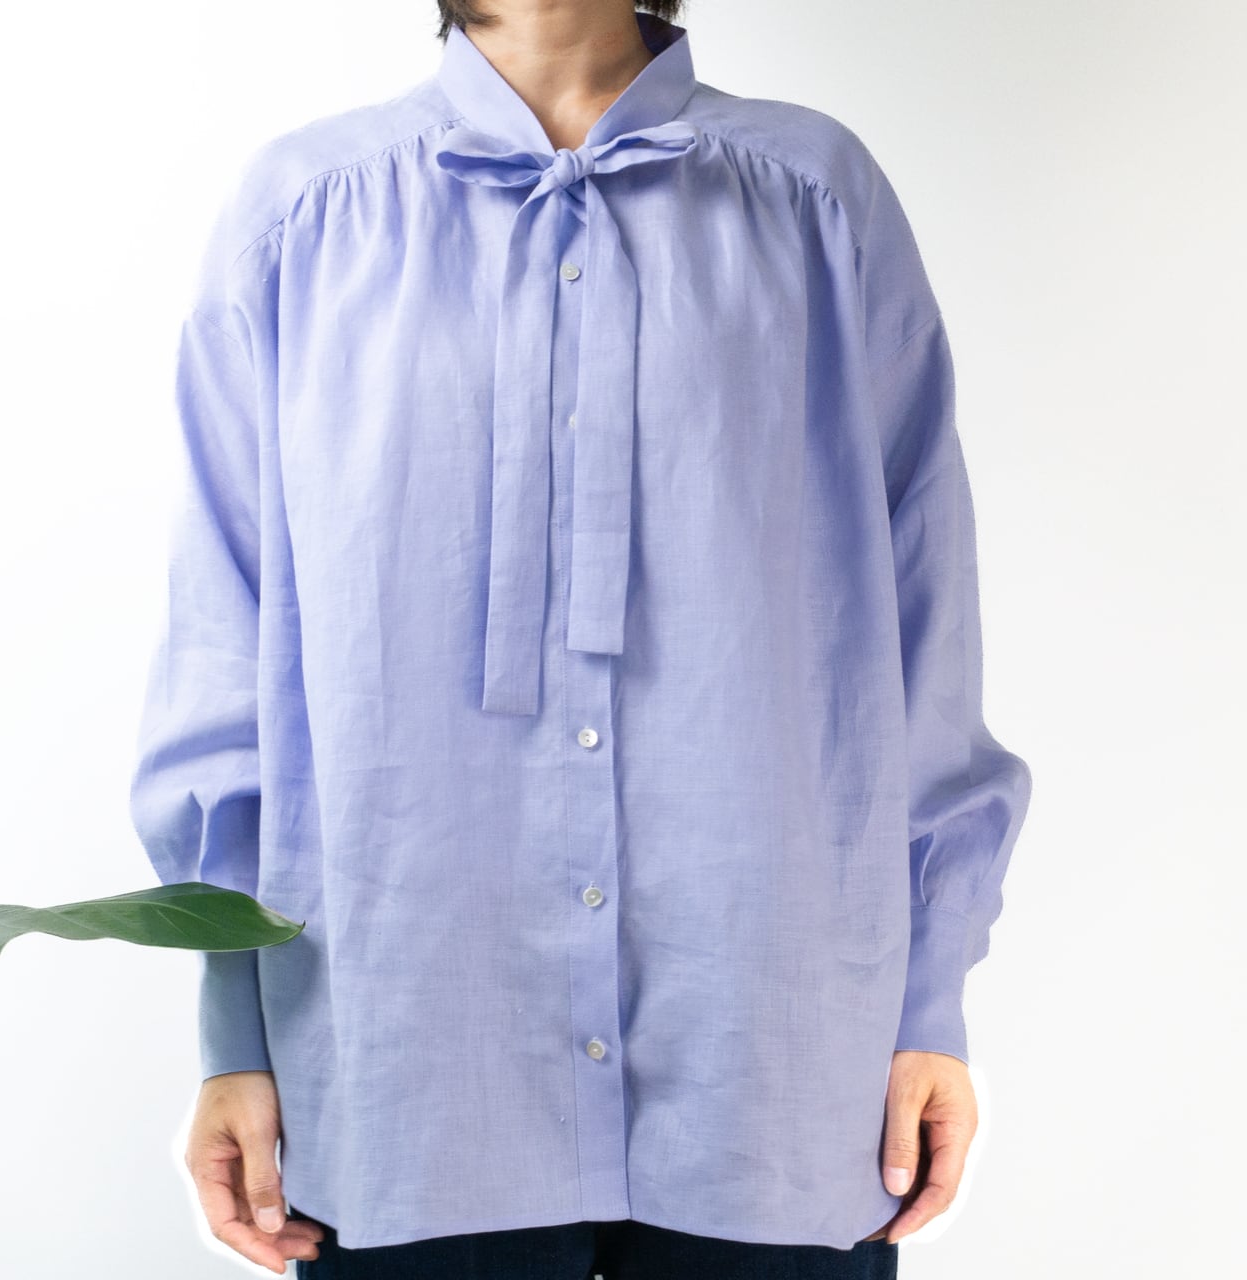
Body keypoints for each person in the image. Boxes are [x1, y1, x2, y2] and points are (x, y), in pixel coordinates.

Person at [128, 1, 1034, 1277]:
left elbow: (924, 617)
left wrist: (928, 996)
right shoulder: (302, 216)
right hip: (409, 1064)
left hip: (770, 1068)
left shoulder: (814, 196)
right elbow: (223, 642)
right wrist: (234, 1027)